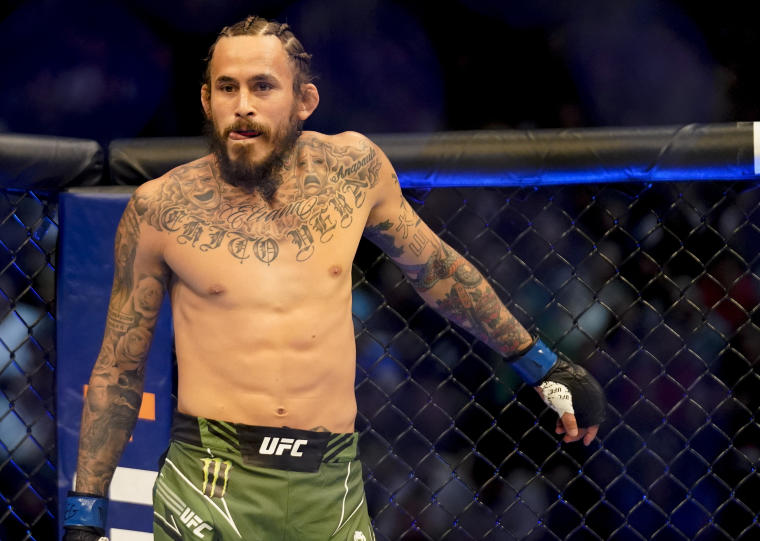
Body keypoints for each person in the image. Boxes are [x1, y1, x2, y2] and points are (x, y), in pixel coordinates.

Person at [63, 16, 606, 541]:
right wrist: (84, 515)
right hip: (209, 476)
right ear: (206, 101)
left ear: (305, 101)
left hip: (329, 480)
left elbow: (436, 270)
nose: (243, 106)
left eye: (262, 86)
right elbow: (119, 368)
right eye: (226, 88)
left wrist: (542, 363)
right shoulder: (161, 209)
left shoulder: (353, 171)